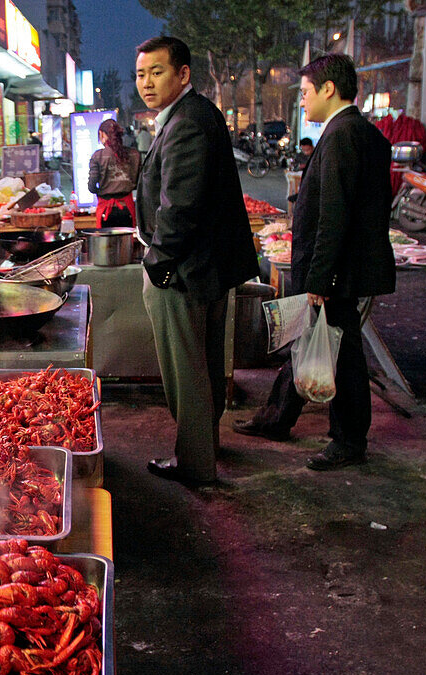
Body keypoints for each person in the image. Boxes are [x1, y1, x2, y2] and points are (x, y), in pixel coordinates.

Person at [233, 54, 395, 470]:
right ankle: (277, 417)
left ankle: (348, 440)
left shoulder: (342, 134)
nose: (302, 101)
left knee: (343, 353)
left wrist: (321, 277)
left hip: (337, 269)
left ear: (328, 89)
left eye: (305, 92)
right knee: (309, 340)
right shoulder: (361, 133)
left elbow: (336, 214)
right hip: (343, 266)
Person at [134, 35, 259, 486]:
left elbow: (180, 206)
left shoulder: (186, 121)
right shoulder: (192, 114)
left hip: (185, 272)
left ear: (182, 74)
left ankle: (195, 465)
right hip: (206, 267)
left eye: (157, 72)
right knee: (203, 366)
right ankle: (204, 450)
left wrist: (158, 263)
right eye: (141, 74)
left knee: (187, 373)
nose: (146, 83)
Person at [87, 118, 141, 228]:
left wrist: (103, 191)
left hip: (106, 210)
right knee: (127, 244)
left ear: (102, 134)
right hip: (128, 209)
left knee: (105, 245)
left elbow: (91, 186)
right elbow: (138, 182)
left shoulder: (98, 156)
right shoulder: (134, 154)